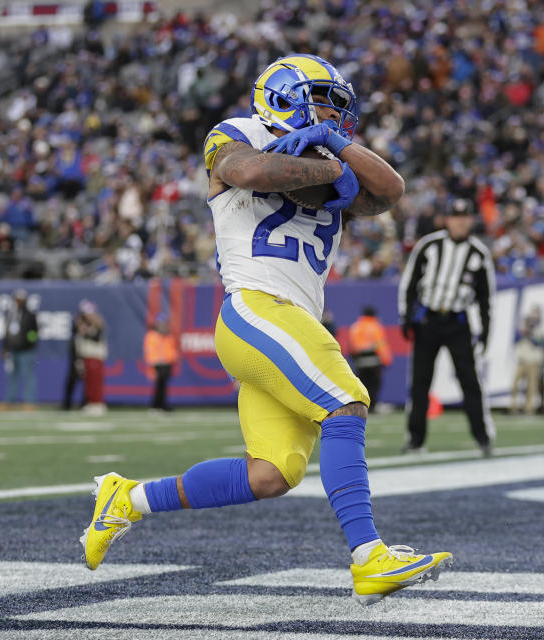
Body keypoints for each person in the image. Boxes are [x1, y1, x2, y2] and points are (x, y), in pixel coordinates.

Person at [82, 54, 452, 606]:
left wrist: (336, 146)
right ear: (281, 95)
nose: (329, 113)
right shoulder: (238, 134)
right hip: (257, 306)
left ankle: (128, 498)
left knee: (271, 475)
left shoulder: (326, 149)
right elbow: (249, 172)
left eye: (335, 106)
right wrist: (332, 168)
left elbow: (390, 190)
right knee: (346, 401)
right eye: (320, 99)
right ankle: (369, 557)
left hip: (288, 318)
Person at [398, 198, 496, 457]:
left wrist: (486, 330)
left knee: (470, 382)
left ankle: (483, 438)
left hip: (457, 322)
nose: (460, 221)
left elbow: (487, 297)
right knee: (420, 383)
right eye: (455, 216)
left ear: (471, 220)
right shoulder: (429, 245)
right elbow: (409, 282)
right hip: (428, 321)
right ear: (447, 219)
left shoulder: (478, 254)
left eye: (465, 217)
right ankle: (415, 439)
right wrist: (406, 317)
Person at [347, 306, 391, 413]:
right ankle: (372, 407)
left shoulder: (355, 327)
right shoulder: (375, 327)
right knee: (374, 385)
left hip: (360, 363)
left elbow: (352, 348)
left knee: (362, 386)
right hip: (374, 362)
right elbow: (381, 346)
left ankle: (362, 406)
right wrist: (386, 360)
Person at [2, 289, 38, 409]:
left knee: (28, 376)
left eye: (21, 300)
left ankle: (29, 402)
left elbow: (34, 333)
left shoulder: (30, 315)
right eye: (17, 300)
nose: (19, 302)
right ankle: (9, 401)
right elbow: (6, 332)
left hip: (26, 351)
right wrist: (5, 347)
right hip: (12, 350)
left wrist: (28, 342)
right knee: (11, 376)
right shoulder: (10, 314)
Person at [509, 309, 544, 415]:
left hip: (533, 363)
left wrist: (530, 334)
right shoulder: (522, 329)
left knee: (531, 387)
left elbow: (539, 343)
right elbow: (515, 341)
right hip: (521, 361)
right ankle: (513, 406)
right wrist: (522, 333)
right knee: (514, 384)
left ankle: (528, 408)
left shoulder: (540, 330)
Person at [76, 300, 107, 414]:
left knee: (96, 381)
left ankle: (97, 403)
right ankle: (90, 402)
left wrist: (87, 330)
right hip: (86, 354)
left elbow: (96, 337)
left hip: (95, 355)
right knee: (88, 381)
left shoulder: (97, 324)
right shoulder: (81, 324)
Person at [143, 314, 177, 412]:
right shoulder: (152, 336)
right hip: (157, 364)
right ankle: (155, 405)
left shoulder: (168, 336)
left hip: (166, 363)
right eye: (161, 324)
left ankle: (162, 404)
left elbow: (171, 350)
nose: (163, 326)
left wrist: (172, 360)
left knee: (163, 386)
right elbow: (150, 351)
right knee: (158, 386)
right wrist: (151, 366)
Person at [63, 306, 87, 410]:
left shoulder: (87, 332)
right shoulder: (75, 332)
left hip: (85, 359)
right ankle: (67, 404)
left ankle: (85, 403)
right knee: (70, 382)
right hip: (75, 359)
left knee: (86, 383)